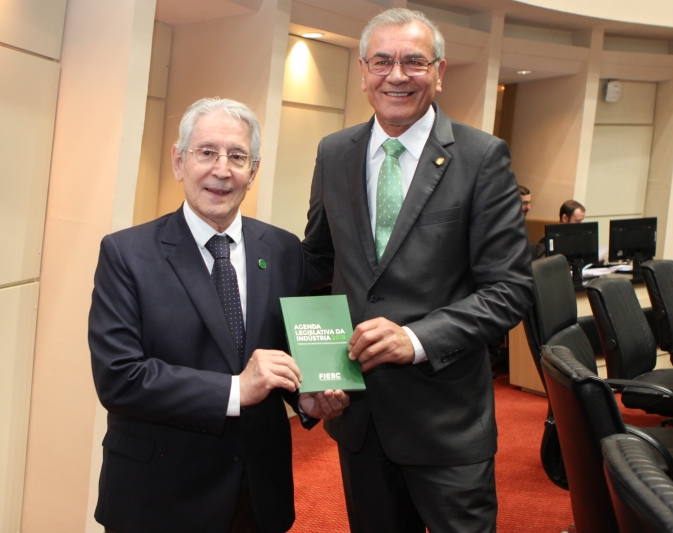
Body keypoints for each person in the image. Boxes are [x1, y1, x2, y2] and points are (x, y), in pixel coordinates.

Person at [301, 8, 533, 533]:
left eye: (414, 61)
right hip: (358, 416)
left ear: (440, 70)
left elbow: (510, 288)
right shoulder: (334, 153)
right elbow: (320, 263)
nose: (397, 75)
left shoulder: (481, 157)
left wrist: (416, 338)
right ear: (363, 71)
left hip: (445, 421)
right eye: (381, 61)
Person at [89, 97, 349, 533]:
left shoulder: (283, 250)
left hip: (256, 493)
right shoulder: (126, 253)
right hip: (158, 497)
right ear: (178, 161)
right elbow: (119, 378)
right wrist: (235, 389)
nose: (222, 170)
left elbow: (284, 349)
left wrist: (305, 396)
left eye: (237, 156)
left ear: (254, 170)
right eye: (206, 152)